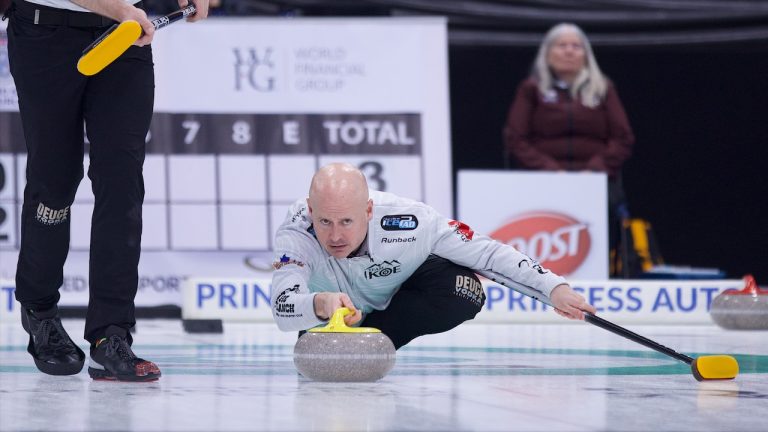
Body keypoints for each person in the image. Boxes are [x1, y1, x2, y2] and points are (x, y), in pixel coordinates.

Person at [4, 0, 208, 381]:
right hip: (45, 32)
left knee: (122, 184)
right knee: (55, 180)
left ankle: (110, 334)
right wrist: (121, 10)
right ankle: (40, 311)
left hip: (125, 34)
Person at [270, 163, 596, 349]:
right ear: (311, 211)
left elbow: (487, 254)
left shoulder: (412, 221)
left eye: (346, 221)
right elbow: (283, 305)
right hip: (329, 317)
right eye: (324, 221)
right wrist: (318, 304)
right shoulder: (296, 233)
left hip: (396, 303)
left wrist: (554, 288)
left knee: (465, 291)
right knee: (312, 354)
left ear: (369, 210)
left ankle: (379, 340)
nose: (336, 235)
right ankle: (350, 335)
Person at [503, 23, 634, 274]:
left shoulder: (603, 88)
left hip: (597, 183)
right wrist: (550, 171)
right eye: (562, 45)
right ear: (548, 53)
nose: (569, 51)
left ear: (586, 54)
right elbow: (516, 138)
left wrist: (595, 170)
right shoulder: (531, 89)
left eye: (576, 46)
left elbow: (623, 137)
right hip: (542, 183)